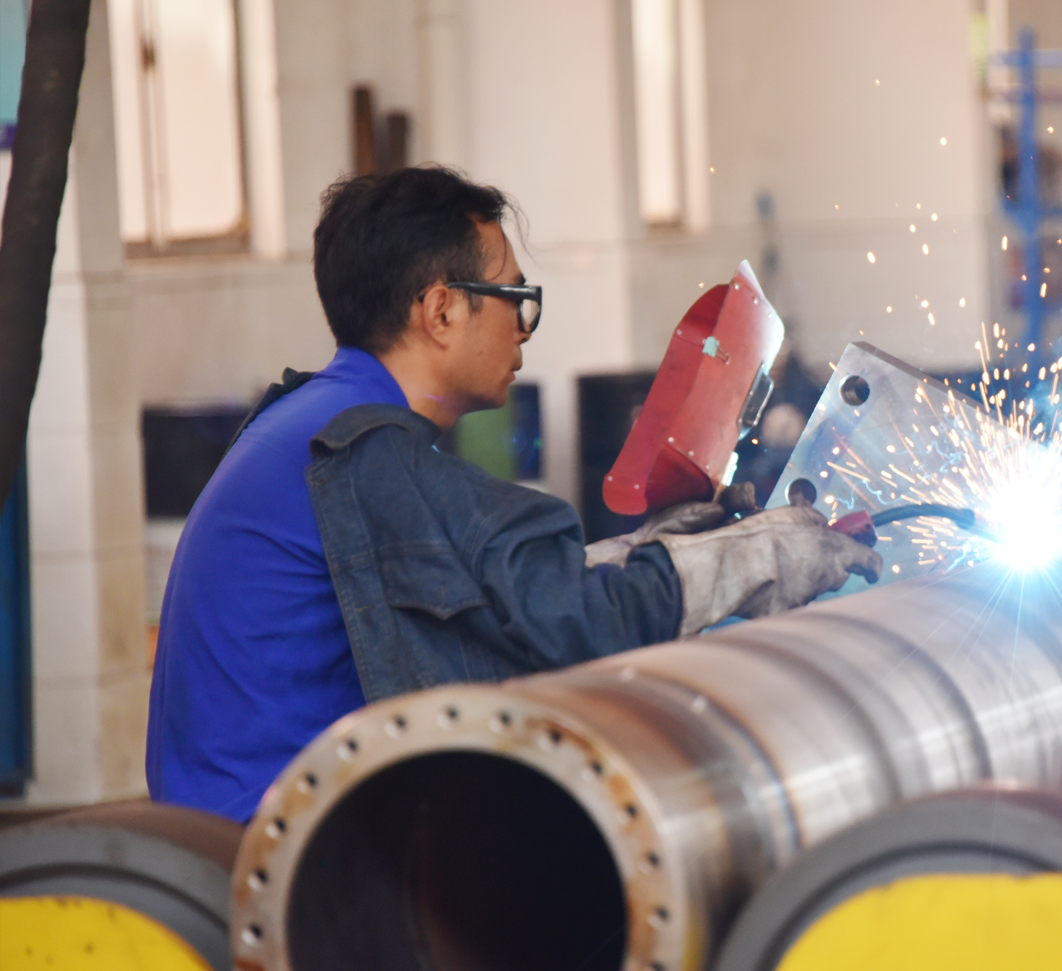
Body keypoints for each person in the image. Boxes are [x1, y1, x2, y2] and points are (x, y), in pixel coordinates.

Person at [146, 167, 880, 822]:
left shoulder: (308, 422)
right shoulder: (364, 452)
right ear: (441, 310)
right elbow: (574, 624)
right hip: (285, 845)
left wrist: (644, 551)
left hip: (238, 817)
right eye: (514, 298)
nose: (523, 329)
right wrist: (757, 556)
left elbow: (486, 593)